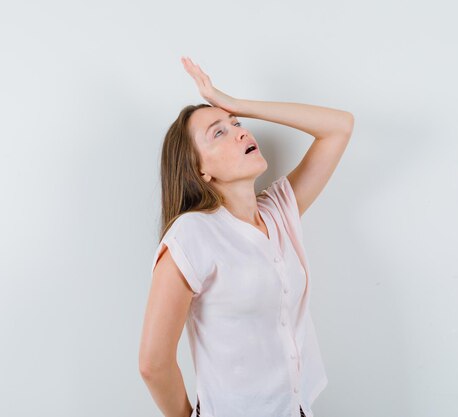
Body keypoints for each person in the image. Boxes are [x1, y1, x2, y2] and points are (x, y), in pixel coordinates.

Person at [138, 57, 354, 417]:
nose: (241, 131)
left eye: (237, 124)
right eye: (218, 132)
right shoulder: (192, 235)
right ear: (199, 169)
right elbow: (153, 363)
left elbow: (339, 127)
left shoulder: (278, 211)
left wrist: (236, 103)